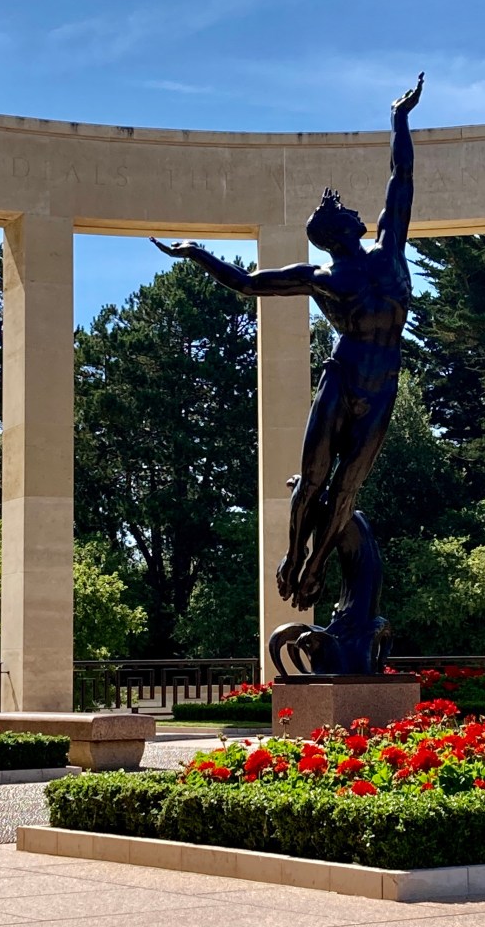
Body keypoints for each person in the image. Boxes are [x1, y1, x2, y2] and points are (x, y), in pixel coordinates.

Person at [152, 73, 423, 611]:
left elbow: (402, 175)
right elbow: (248, 283)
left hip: (383, 386)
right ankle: (292, 555)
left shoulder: (391, 247)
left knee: (347, 488)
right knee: (313, 480)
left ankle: (315, 568)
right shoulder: (320, 276)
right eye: (346, 213)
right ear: (337, 230)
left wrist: (399, 118)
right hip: (343, 378)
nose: (356, 212)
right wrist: (197, 252)